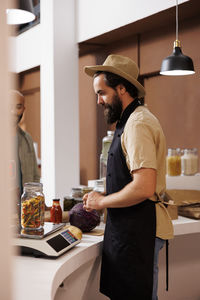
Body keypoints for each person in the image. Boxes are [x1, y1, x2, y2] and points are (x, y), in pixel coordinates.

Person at [83, 54, 174, 300]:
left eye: (102, 93)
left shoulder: (137, 124)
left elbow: (144, 186)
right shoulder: (131, 120)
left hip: (139, 231)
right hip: (129, 230)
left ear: (121, 88)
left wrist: (102, 201)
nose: (98, 101)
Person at [10, 90, 40, 198]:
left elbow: (35, 177)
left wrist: (37, 200)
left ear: (23, 109)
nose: (13, 111)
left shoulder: (27, 138)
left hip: (25, 207)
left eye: (18, 107)